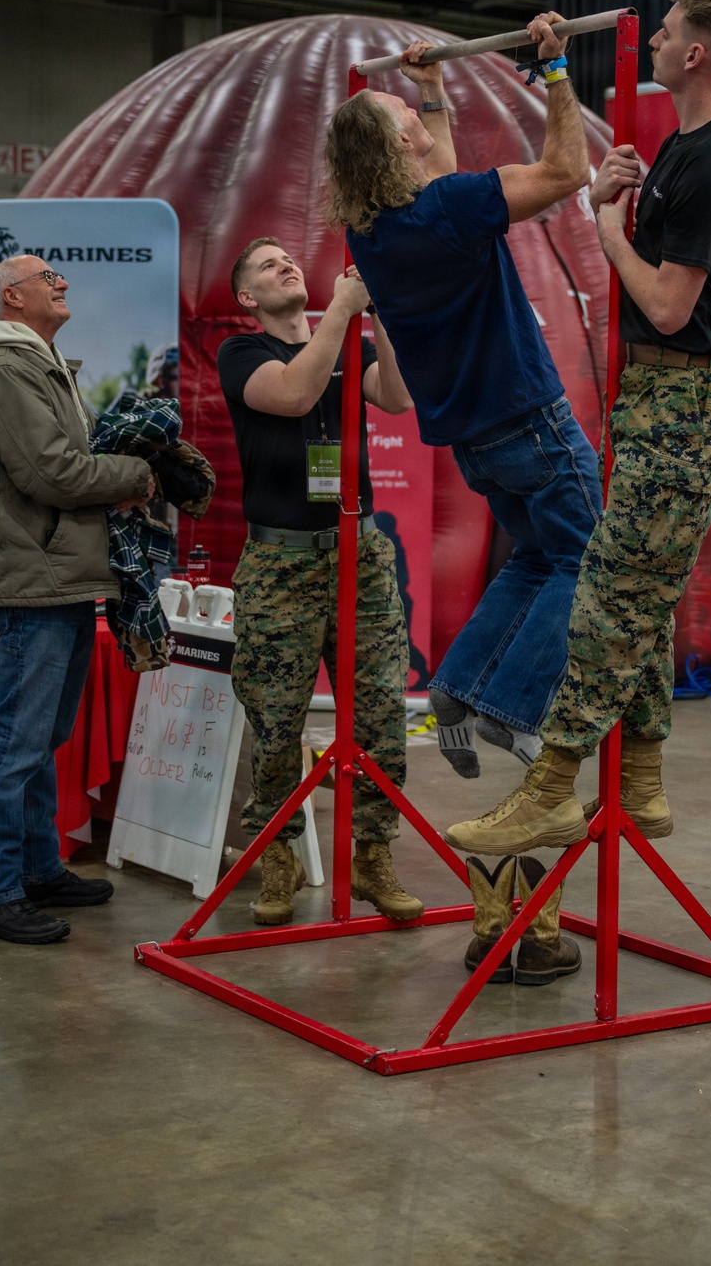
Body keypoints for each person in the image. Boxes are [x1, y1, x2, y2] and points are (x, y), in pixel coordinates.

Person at [443, 0, 711, 855]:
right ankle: (643, 777)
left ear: (695, 54)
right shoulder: (684, 149)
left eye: (664, 36)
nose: (654, 44)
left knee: (608, 600)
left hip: (686, 400)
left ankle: (552, 787)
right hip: (660, 398)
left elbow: (665, 304)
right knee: (643, 598)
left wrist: (607, 226)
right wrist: (625, 191)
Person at [325, 15, 602, 781]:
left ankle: (455, 687)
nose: (409, 112)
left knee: (536, 559)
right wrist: (554, 70)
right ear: (394, 147)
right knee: (590, 554)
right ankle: (510, 705)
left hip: (478, 441)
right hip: (530, 418)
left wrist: (435, 92)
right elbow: (567, 172)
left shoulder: (369, 231)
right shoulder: (449, 212)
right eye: (402, 114)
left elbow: (435, 180)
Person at [217, 238, 423, 926]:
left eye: (289, 259)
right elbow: (298, 392)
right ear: (248, 297)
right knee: (277, 722)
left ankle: (373, 854)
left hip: (359, 556)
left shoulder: (351, 337)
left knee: (380, 714)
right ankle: (278, 855)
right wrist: (340, 310)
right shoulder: (243, 354)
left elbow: (395, 397)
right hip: (282, 565)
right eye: (267, 266)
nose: (286, 266)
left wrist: (380, 315)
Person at [0, 256, 154, 944]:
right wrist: (139, 471)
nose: (61, 281)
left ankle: (37, 867)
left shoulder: (40, 362)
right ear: (12, 295)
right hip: (30, 585)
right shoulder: (9, 367)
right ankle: (3, 889)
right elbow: (48, 469)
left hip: (56, 579)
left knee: (40, 742)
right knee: (15, 745)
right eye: (46, 274)